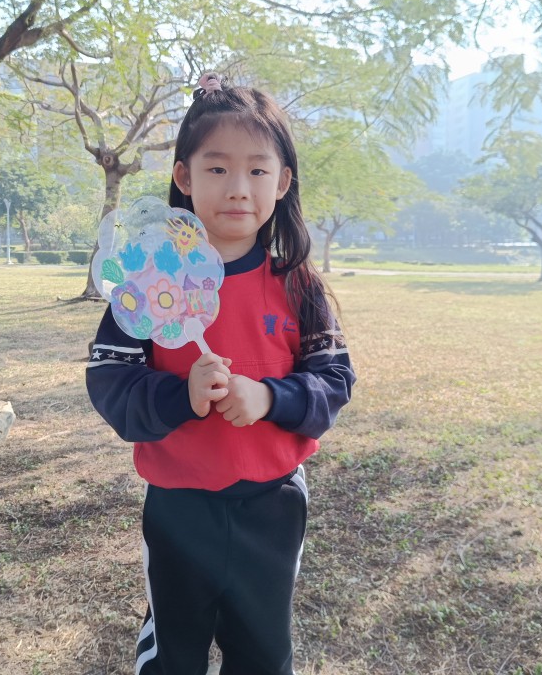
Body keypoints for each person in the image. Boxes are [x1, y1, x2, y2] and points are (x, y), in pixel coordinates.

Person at [86, 72, 356, 675]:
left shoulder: (299, 287)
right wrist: (180, 395)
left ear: (282, 183)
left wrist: (271, 397)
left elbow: (335, 381)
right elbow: (110, 384)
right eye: (217, 168)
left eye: (257, 170)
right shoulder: (146, 283)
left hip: (273, 503)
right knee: (173, 655)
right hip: (180, 507)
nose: (238, 188)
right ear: (184, 177)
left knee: (264, 653)